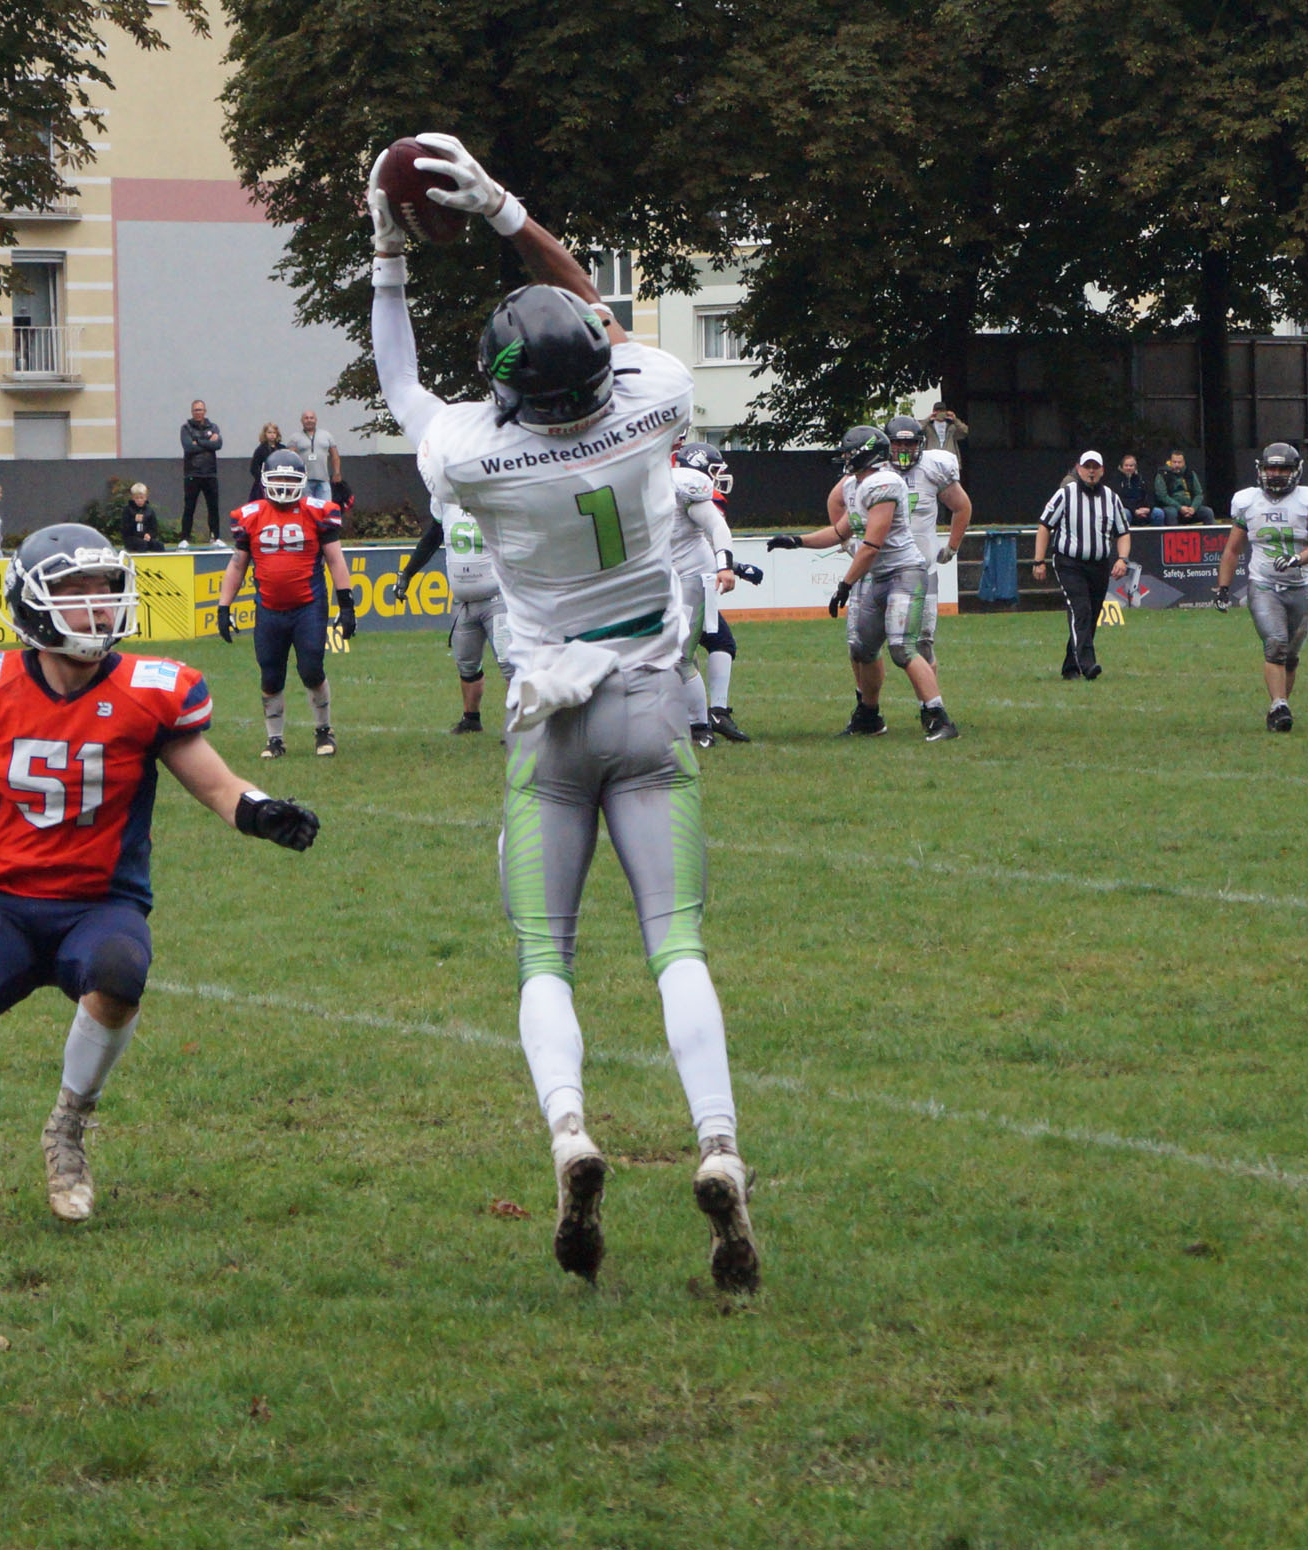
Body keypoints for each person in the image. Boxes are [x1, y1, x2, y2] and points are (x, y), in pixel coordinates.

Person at [370, 133, 758, 1290]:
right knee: (675, 942)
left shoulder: (477, 458)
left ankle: (569, 1130)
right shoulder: (653, 398)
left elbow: (399, 386)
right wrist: (503, 211)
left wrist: (387, 256)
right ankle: (718, 1143)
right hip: (649, 695)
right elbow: (594, 308)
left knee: (546, 951)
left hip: (545, 712)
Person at [0, 523, 319, 1257]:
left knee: (119, 972)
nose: (96, 607)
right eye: (74, 591)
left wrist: (260, 811)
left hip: (100, 905)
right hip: (4, 902)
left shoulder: (150, 690)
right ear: (32, 605)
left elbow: (217, 784)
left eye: (104, 590)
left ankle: (67, 1126)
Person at [772, 428, 960, 741]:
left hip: (904, 572)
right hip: (880, 575)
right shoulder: (856, 486)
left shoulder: (883, 483)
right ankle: (869, 717)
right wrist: (796, 541)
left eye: (850, 452)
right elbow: (841, 531)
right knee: (863, 648)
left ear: (866, 452)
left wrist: (845, 585)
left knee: (902, 648)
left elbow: (872, 545)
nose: (846, 458)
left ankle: (938, 717)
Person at [214, 447, 356, 759]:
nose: (282, 484)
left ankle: (323, 730)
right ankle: (275, 739)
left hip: (308, 605)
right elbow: (238, 564)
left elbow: (335, 560)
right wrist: (224, 606)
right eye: (277, 478)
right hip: (268, 607)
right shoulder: (250, 516)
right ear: (265, 479)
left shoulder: (318, 511)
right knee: (270, 674)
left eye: (288, 479)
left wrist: (346, 604)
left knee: (311, 669)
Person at [1215, 443, 1308, 733]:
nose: (1276, 474)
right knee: (1276, 643)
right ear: (1261, 469)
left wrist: (1297, 558)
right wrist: (1223, 588)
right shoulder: (1247, 501)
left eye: (1283, 469)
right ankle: (1279, 704)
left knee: (1290, 655)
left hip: (1301, 586)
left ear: (1296, 471)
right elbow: (1232, 549)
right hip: (1264, 584)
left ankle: (1279, 708)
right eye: (1271, 468)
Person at [384, 482, 510, 735]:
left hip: (498, 597)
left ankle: (521, 726)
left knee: (510, 664)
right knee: (466, 663)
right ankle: (471, 718)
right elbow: (433, 537)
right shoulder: (444, 495)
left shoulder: (497, 493)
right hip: (463, 601)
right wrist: (408, 572)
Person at [670, 443, 759, 744]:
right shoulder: (659, 483)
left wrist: (728, 566)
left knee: (681, 655)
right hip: (665, 578)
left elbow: (717, 528)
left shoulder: (687, 486)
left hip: (692, 577)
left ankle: (700, 728)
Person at [1033, 452, 1132, 681]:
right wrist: (1039, 561)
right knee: (1081, 609)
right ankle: (1087, 664)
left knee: (1091, 614)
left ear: (1102, 470)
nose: (1091, 471)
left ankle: (1070, 667)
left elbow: (1123, 532)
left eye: (1095, 467)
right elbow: (1044, 526)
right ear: (1078, 469)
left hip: (1098, 565)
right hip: (1069, 563)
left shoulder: (1111, 497)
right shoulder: (1065, 494)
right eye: (1087, 466)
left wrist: (1122, 558)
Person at [885, 414, 973, 665]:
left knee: (924, 641)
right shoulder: (875, 469)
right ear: (887, 444)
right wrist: (850, 541)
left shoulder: (933, 467)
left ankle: (930, 702)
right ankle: (867, 699)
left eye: (910, 444)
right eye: (898, 444)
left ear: (920, 444)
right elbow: (842, 501)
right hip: (882, 570)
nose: (903, 449)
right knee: (865, 642)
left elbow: (962, 506)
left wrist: (952, 547)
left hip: (923, 569)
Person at [179, 400, 224, 546]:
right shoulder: (186, 428)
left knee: (213, 507)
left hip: (210, 473)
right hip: (192, 473)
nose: (198, 412)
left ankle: (215, 537)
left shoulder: (213, 427)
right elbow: (188, 447)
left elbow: (218, 445)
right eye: (195, 410)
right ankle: (185, 538)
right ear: (192, 412)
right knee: (189, 507)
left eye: (200, 410)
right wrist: (207, 442)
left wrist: (197, 441)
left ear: (205, 411)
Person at [288, 410, 342, 504]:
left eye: (311, 418)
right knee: (307, 510)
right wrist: (292, 480)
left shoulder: (326, 435)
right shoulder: (295, 438)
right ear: (301, 421)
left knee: (325, 509)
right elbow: (290, 459)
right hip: (304, 481)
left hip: (323, 480)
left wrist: (337, 472)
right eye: (306, 418)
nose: (309, 420)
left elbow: (335, 455)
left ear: (316, 420)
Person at [1153, 450, 1213, 524]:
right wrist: (1180, 507)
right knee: (1171, 512)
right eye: (1174, 462)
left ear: (1184, 462)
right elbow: (1162, 496)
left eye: (1179, 462)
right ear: (1170, 462)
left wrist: (1193, 508)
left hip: (1190, 507)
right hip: (1171, 507)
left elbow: (1199, 494)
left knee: (1208, 512)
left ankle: (1210, 535)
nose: (1177, 465)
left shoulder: (1190, 474)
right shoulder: (1162, 475)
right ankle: (1174, 535)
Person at [246, 421, 285, 505]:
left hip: (280, 481)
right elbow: (254, 467)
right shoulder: (260, 450)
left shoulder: (282, 448)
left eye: (274, 432)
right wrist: (261, 480)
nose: (272, 435)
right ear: (265, 434)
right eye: (269, 432)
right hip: (264, 483)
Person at [1111, 453, 1155, 525]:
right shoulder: (1116, 480)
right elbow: (1118, 499)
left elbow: (1150, 494)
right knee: (1125, 513)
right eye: (1126, 465)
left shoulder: (1141, 478)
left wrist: (1148, 508)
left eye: (1131, 466)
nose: (1129, 468)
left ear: (1135, 467)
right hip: (1127, 508)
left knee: (1158, 513)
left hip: (1142, 508)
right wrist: (1134, 510)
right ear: (1122, 467)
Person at [120, 483, 164, 553]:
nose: (139, 500)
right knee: (142, 544)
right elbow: (124, 529)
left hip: (145, 537)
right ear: (133, 498)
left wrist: (149, 535)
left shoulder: (149, 511)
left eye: (141, 498)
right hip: (131, 539)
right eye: (137, 498)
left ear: (145, 497)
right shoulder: (127, 510)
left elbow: (154, 528)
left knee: (159, 545)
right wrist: (134, 521)